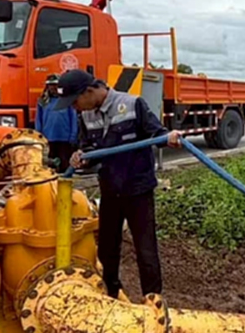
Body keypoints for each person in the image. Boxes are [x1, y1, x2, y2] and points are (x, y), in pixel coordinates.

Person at [53, 69, 183, 299]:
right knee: (107, 250)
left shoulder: (132, 105)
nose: (74, 108)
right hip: (110, 190)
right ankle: (110, 295)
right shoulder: (86, 115)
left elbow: (158, 134)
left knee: (145, 249)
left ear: (89, 91)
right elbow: (89, 149)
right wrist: (81, 157)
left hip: (138, 190)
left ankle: (153, 300)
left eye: (74, 102)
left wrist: (171, 137)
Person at [35, 74, 79, 171]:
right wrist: (39, 136)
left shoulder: (67, 100)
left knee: (65, 165)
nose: (53, 87)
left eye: (55, 85)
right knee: (49, 167)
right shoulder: (42, 101)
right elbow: (38, 120)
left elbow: (73, 118)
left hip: (65, 139)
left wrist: (73, 136)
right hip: (48, 139)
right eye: (50, 85)